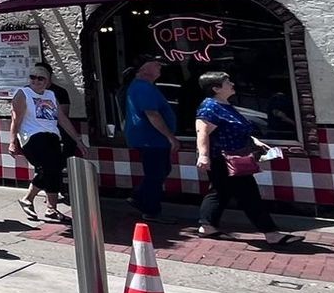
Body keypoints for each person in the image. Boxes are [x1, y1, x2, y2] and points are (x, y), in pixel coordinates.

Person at [194, 71, 302, 247]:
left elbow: (237, 129)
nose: (232, 84)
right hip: (225, 158)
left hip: (234, 155)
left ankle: (207, 226)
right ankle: (271, 233)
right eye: (227, 82)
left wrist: (255, 141)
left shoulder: (225, 105)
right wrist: (204, 155)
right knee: (249, 194)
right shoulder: (209, 107)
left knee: (219, 192)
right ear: (216, 88)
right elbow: (202, 132)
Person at [12, 65, 83, 222]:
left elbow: (62, 119)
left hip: (52, 135)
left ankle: (50, 207)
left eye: (40, 78)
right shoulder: (23, 93)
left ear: (48, 81)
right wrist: (12, 142)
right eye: (33, 77)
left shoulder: (51, 95)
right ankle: (29, 199)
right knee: (50, 166)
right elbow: (15, 120)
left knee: (54, 169)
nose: (36, 81)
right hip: (32, 136)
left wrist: (77, 140)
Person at [124, 56, 181, 222]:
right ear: (143, 69)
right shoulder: (143, 87)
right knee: (156, 173)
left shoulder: (145, 87)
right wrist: (170, 137)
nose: (159, 66)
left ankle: (140, 197)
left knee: (160, 170)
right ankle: (150, 209)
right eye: (155, 64)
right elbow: (152, 114)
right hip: (151, 138)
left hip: (152, 138)